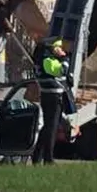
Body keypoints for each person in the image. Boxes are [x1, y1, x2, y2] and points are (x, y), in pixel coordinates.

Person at [32, 37, 71, 165]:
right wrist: (65, 59)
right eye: (57, 47)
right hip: (53, 98)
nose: (60, 50)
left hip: (49, 96)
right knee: (51, 128)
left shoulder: (43, 60)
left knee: (48, 127)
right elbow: (62, 70)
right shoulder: (48, 61)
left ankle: (37, 156)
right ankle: (48, 159)